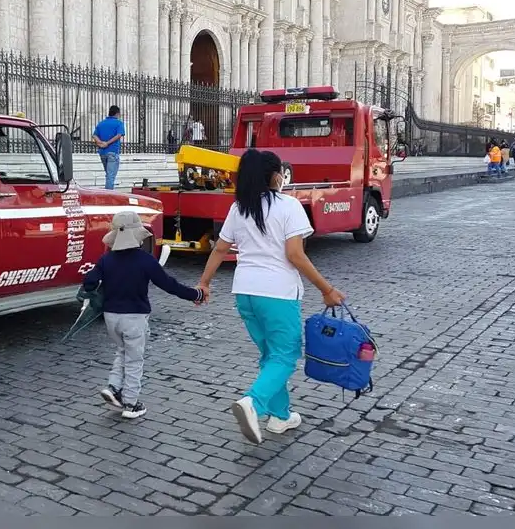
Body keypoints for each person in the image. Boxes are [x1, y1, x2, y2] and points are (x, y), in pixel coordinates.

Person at [196, 149, 345, 445]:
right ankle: (254, 402)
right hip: (277, 294)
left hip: (245, 294)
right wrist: (327, 289)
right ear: (276, 175)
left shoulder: (240, 208)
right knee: (286, 355)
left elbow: (221, 249)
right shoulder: (288, 205)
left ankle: (280, 416)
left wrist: (204, 283)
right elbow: (295, 255)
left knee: (270, 355)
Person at [82, 211, 203, 420]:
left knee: (122, 350)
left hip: (111, 317)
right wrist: (195, 294)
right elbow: (169, 285)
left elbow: (89, 282)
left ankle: (113, 386)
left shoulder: (106, 259)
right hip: (134, 318)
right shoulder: (145, 260)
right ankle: (131, 403)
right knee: (134, 360)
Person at [93, 105, 125, 190]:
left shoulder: (101, 123)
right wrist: (107, 143)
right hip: (113, 152)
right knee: (110, 176)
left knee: (108, 175)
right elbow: (119, 135)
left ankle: (108, 192)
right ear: (117, 113)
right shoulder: (119, 123)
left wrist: (100, 143)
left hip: (102, 153)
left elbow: (94, 135)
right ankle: (109, 195)